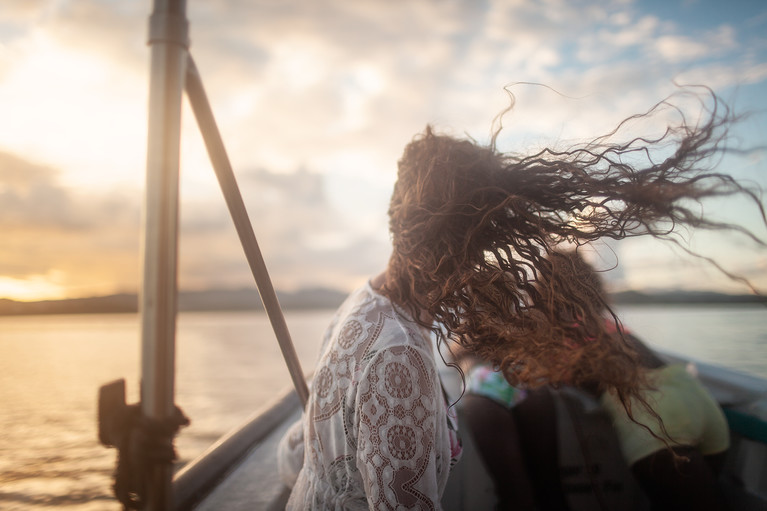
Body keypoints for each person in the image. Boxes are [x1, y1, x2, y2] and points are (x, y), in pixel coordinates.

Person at [277, 88, 764, 510]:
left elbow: (298, 454)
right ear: (472, 243)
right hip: (693, 399)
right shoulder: (398, 360)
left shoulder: (358, 306)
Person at [461, 250, 732, 511]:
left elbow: (477, 351)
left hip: (654, 416)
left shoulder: (547, 332)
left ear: (540, 293)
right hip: (692, 393)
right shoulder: (606, 323)